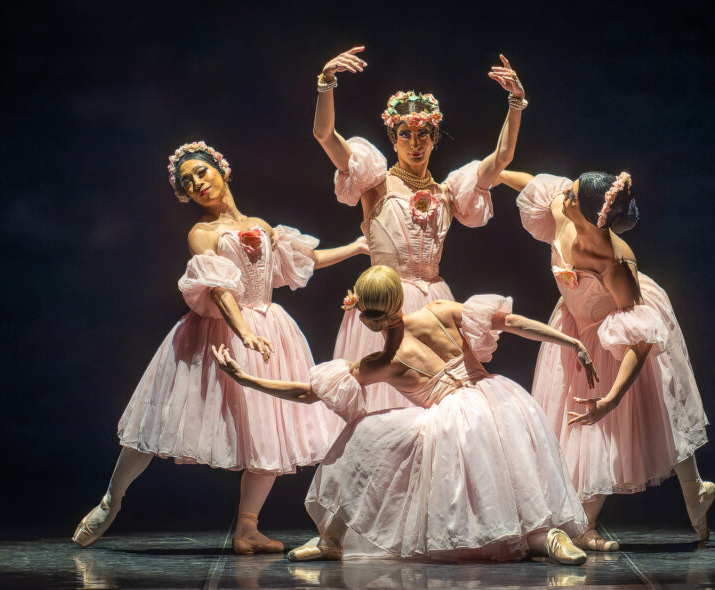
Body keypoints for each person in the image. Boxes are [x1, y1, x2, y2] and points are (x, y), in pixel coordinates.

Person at [72, 141, 365, 554]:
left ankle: (247, 529)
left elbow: (300, 262)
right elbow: (219, 288)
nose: (197, 184)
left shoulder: (261, 225)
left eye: (201, 173)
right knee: (159, 419)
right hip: (214, 334)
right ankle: (111, 499)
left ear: (221, 171)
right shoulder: (202, 233)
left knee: (271, 433)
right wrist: (244, 332)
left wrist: (354, 248)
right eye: (188, 182)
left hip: (270, 329)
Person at [212, 265, 597, 564]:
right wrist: (570, 340)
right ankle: (548, 537)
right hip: (501, 398)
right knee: (511, 477)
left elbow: (307, 392)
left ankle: (332, 538)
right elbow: (510, 322)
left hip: (457, 420)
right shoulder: (439, 312)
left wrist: (246, 378)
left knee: (362, 435)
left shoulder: (383, 361)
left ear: (363, 315)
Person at [500, 169, 715, 550]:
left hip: (614, 328)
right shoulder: (564, 210)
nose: (564, 194)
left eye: (573, 194)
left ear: (591, 216)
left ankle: (598, 519)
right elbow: (533, 183)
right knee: (601, 420)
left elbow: (639, 341)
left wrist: (613, 397)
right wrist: (494, 172)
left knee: (645, 411)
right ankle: (594, 520)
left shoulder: (616, 264)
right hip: (575, 325)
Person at [312, 46, 527, 412]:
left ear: (435, 136)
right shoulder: (374, 183)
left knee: (441, 411)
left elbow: (502, 158)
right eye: (405, 134)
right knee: (382, 410)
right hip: (386, 302)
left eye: (424, 133)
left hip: (434, 306)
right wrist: (326, 84)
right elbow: (325, 135)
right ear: (393, 137)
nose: (415, 143)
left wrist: (516, 103)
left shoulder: (448, 192)